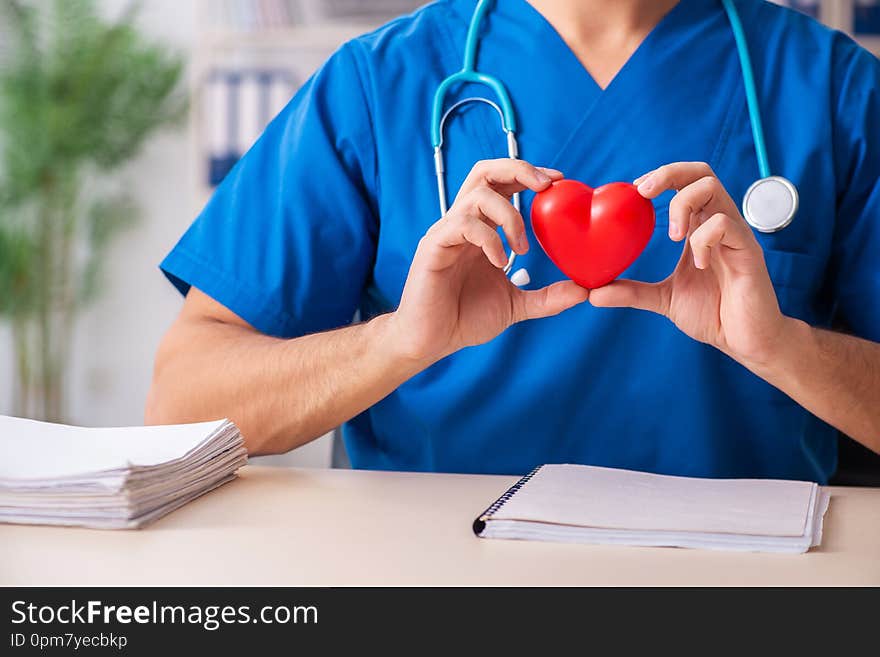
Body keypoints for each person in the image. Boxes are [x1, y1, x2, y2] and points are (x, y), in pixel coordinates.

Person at [146, 0, 880, 482]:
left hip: (750, 592)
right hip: (438, 586)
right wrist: (399, 341)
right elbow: (181, 403)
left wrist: (786, 348)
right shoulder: (380, 85)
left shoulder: (832, 89)